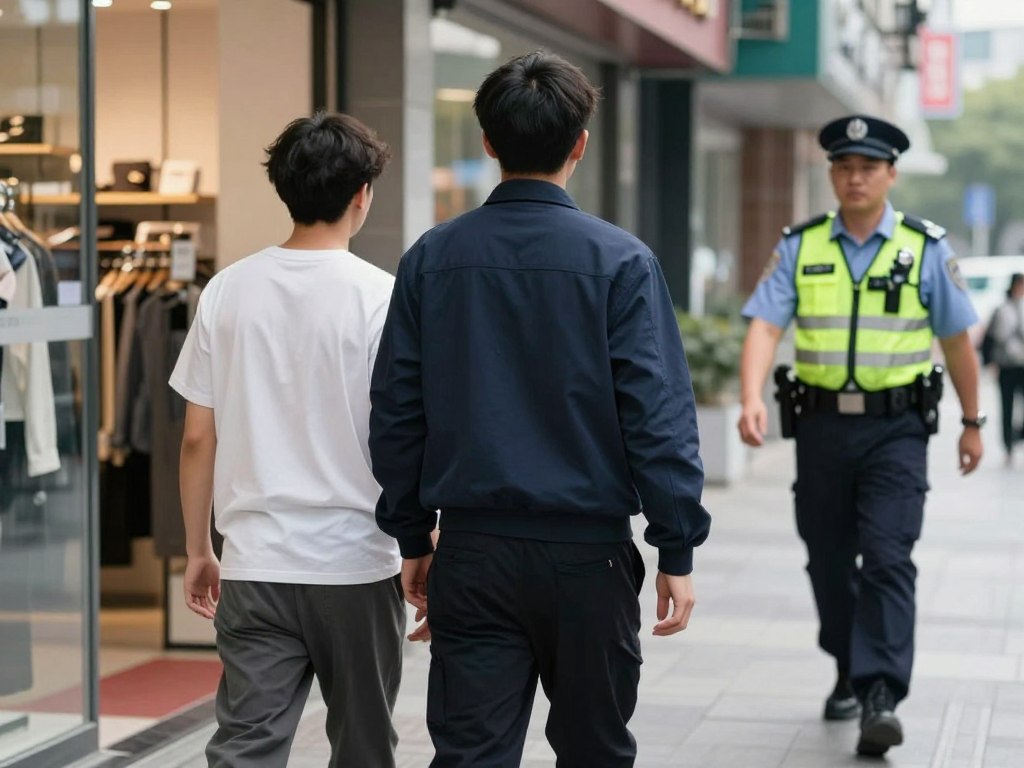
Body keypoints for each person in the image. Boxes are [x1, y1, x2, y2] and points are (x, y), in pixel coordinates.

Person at [369, 50, 711, 767]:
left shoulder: (433, 258)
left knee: (471, 754)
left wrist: (412, 536)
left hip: (473, 549)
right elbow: (658, 416)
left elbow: (397, 409)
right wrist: (675, 543)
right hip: (591, 557)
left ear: (489, 142)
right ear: (580, 144)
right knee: (594, 751)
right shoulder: (622, 262)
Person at [737, 115, 984, 758]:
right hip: (819, 428)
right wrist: (749, 398)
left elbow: (957, 340)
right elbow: (765, 325)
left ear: (890, 174)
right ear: (831, 174)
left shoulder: (927, 249)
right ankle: (848, 662)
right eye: (844, 167)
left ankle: (880, 693)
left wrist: (973, 422)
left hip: (896, 430)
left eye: (868, 168)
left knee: (888, 555)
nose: (855, 178)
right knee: (826, 557)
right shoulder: (802, 245)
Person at [170, 112, 406, 768]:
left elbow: (197, 437)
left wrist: (199, 549)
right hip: (357, 563)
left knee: (246, 748)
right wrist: (427, 539)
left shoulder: (227, 292)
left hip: (254, 564)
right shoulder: (382, 298)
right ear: (362, 194)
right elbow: (405, 434)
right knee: (364, 747)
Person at [989, 273, 1024, 464]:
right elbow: (993, 338)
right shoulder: (1002, 309)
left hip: (1023, 365)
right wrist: (991, 362)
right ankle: (1008, 443)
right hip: (1007, 365)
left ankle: (1018, 435)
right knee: (1007, 406)